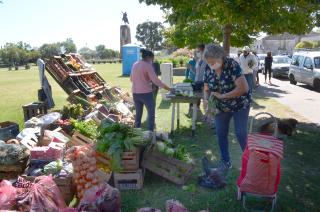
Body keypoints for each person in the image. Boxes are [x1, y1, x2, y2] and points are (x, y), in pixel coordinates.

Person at [203, 44, 251, 170]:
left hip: (240, 104)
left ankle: (251, 162)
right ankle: (226, 161)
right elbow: (206, 86)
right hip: (221, 107)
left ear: (221, 57)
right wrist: (206, 100)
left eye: (213, 61)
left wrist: (222, 96)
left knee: (241, 133)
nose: (211, 64)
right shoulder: (208, 68)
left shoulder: (232, 65)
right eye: (209, 62)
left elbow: (243, 88)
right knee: (220, 133)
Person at [130, 49, 171, 131]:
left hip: (135, 93)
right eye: (152, 59)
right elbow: (156, 81)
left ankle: (136, 132)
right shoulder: (148, 66)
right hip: (146, 94)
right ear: (149, 57)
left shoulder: (135, 64)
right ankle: (150, 133)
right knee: (151, 114)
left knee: (138, 114)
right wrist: (169, 88)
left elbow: (131, 79)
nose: (152, 61)